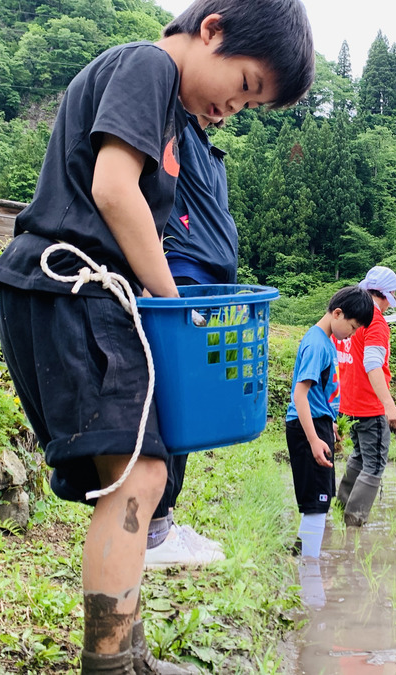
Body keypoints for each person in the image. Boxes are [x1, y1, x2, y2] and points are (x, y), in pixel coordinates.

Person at [0, 1, 315, 671]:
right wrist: (172, 301)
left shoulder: (170, 111)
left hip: (84, 294)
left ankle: (127, 652)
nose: (233, 109)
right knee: (139, 477)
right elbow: (112, 189)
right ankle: (107, 663)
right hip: (70, 287)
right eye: (245, 85)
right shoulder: (147, 65)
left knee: (141, 476)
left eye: (252, 107)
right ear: (212, 29)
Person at [143, 111, 237, 569]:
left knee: (185, 405)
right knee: (170, 401)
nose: (229, 108)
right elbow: (149, 195)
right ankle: (154, 530)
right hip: (177, 278)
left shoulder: (205, 147)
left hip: (202, 282)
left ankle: (165, 521)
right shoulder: (171, 123)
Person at [286, 286, 374, 559]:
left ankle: (302, 555)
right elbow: (300, 394)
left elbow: (317, 393)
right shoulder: (316, 344)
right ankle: (310, 570)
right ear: (337, 313)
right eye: (352, 325)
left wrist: (329, 423)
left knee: (319, 498)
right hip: (307, 426)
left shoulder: (325, 341)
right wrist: (313, 438)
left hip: (318, 422)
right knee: (318, 502)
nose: (353, 332)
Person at [334, 266, 396, 527]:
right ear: (385, 295)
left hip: (347, 402)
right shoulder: (375, 320)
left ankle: (341, 505)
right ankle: (354, 520)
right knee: (374, 464)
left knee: (360, 457)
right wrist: (389, 406)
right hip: (369, 404)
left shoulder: (350, 312)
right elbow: (373, 363)